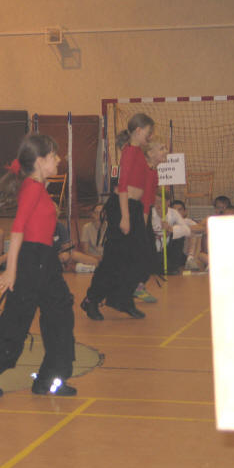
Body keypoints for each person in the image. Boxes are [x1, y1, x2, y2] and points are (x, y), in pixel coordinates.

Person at [0, 134, 77, 397]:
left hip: (45, 260)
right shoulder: (33, 187)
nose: (59, 160)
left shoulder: (37, 187)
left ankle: (50, 378)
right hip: (32, 261)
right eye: (54, 156)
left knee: (60, 315)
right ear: (39, 161)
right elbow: (17, 229)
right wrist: (11, 270)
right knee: (15, 322)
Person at [80, 114, 163, 321]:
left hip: (133, 208)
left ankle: (122, 298)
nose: (150, 135)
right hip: (121, 206)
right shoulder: (129, 151)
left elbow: (144, 192)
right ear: (138, 131)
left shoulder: (139, 154)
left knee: (140, 258)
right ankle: (91, 299)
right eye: (148, 131)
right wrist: (125, 217)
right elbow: (123, 186)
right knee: (114, 259)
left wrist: (139, 220)